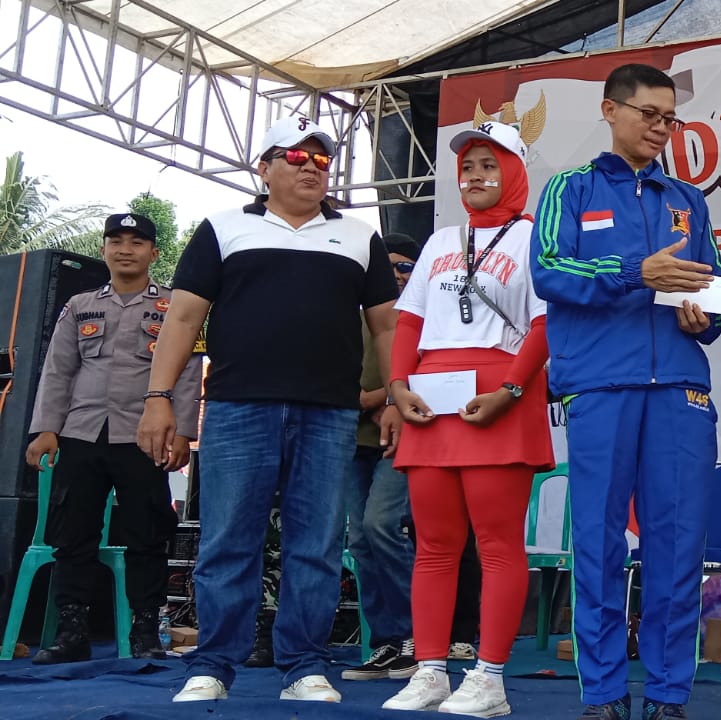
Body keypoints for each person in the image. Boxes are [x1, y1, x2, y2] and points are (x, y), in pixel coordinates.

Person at [138, 115, 401, 704]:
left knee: (318, 544)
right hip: (237, 407)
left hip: (330, 413)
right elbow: (183, 318)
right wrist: (158, 398)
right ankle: (213, 665)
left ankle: (305, 665)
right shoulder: (222, 227)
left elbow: (387, 327)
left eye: (322, 159)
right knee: (229, 539)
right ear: (264, 167)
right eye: (296, 156)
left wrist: (392, 396)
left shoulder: (360, 236)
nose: (312, 167)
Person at [531, 63, 721, 720]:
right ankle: (604, 694)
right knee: (598, 544)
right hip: (599, 387)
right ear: (611, 110)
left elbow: (714, 292)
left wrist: (705, 317)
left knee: (678, 545)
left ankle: (669, 696)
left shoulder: (688, 201)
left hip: (679, 390)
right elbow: (548, 269)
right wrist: (633, 271)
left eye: (670, 118)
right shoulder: (570, 189)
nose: (661, 128)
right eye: (649, 114)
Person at [378, 120, 553, 717]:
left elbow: (545, 323)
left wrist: (509, 389)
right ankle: (430, 670)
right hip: (431, 400)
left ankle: (490, 679)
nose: (475, 177)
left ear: (516, 171)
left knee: (497, 545)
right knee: (433, 544)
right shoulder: (440, 241)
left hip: (498, 396)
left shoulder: (534, 238)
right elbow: (409, 321)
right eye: (468, 167)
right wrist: (398, 387)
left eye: (490, 165)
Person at [24, 212, 202, 664]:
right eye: (116, 241)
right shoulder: (79, 306)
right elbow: (58, 370)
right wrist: (46, 429)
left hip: (145, 435)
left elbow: (187, 372)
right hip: (80, 432)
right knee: (73, 533)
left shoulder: (174, 307)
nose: (126, 249)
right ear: (103, 249)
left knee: (147, 532)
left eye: (137, 242)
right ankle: (72, 632)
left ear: (154, 253)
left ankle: (146, 630)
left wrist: (183, 432)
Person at [340, 232, 423, 682]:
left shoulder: (426, 316)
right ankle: (387, 641)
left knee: (381, 525)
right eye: (386, 267)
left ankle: (416, 637)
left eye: (404, 266)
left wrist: (381, 397)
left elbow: (432, 376)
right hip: (352, 439)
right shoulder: (349, 317)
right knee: (359, 540)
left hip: (405, 439)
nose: (395, 274)